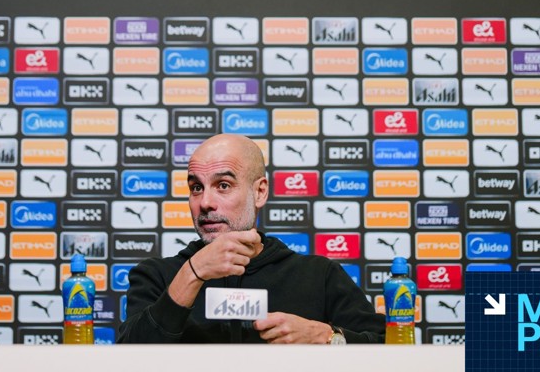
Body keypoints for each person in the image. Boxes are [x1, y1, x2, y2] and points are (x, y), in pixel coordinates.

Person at [118, 133, 385, 343]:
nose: (206, 202)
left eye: (223, 185)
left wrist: (326, 336)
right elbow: (127, 359)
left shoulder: (319, 276)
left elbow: (389, 350)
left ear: (260, 192)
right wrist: (193, 273)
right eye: (196, 187)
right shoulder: (157, 275)